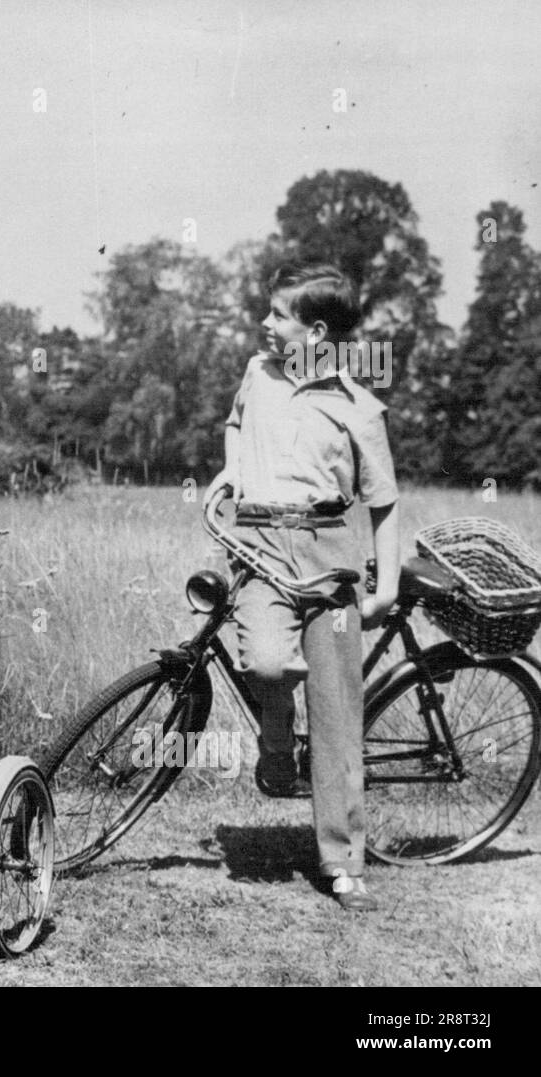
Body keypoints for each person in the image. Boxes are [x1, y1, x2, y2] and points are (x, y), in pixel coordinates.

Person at [206, 262, 400, 912]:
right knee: (263, 658)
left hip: (332, 561)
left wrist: (387, 581)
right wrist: (232, 470)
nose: (263, 323)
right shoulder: (257, 377)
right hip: (261, 547)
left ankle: (342, 860)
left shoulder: (359, 407)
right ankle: (276, 738)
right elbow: (234, 424)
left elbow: (384, 502)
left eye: (277, 315)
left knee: (339, 711)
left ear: (315, 331)